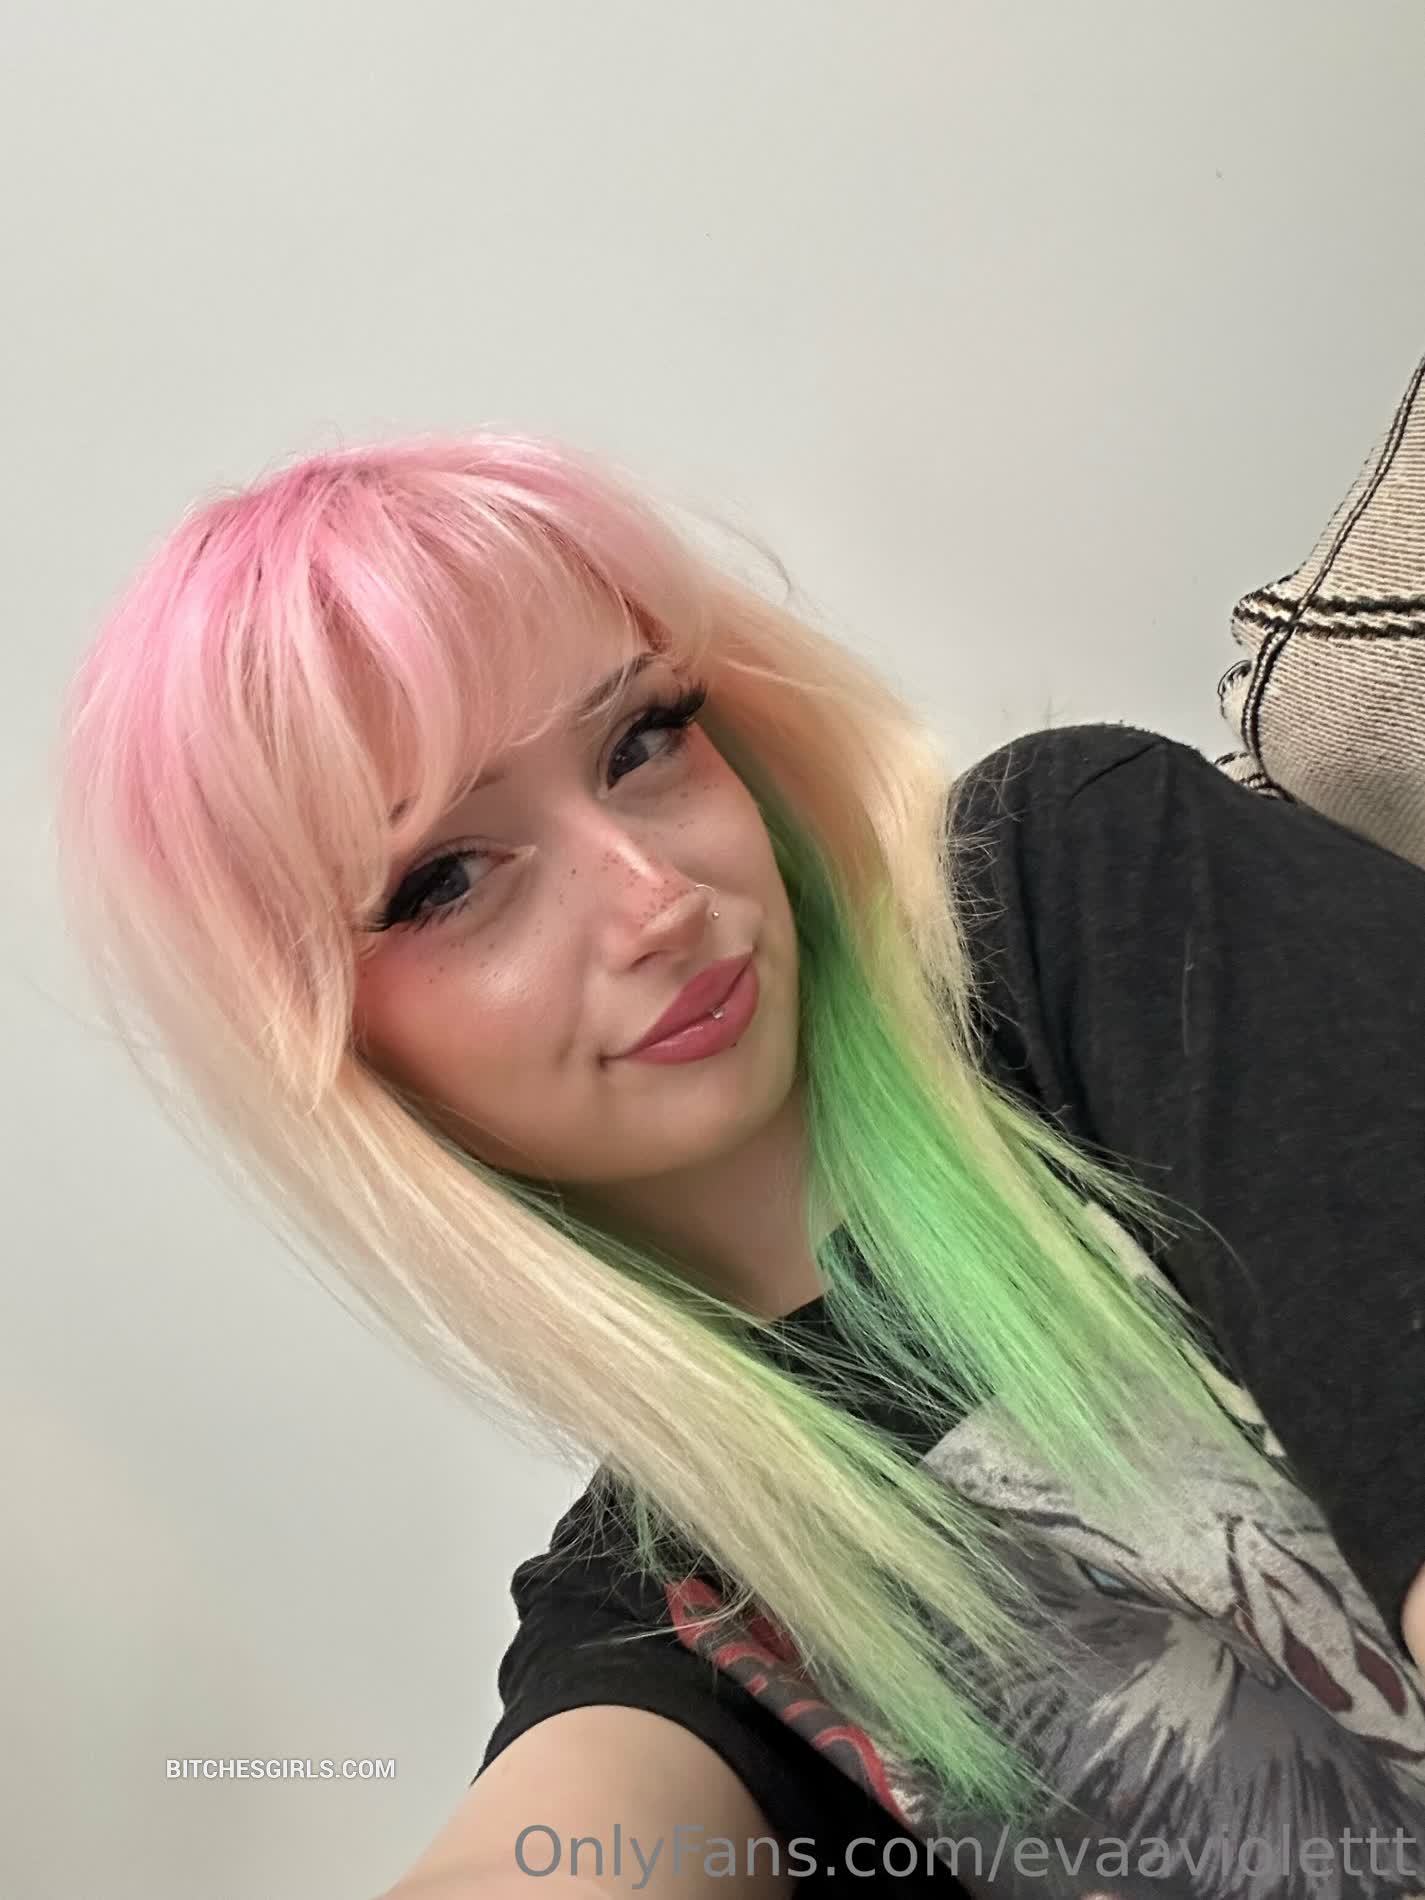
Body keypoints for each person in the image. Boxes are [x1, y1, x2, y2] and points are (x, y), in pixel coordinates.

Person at [55, 426, 1425, 1900]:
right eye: (445, 880)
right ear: (330, 1042)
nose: (654, 899)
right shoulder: (675, 1594)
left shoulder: (1080, 898)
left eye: (641, 741)